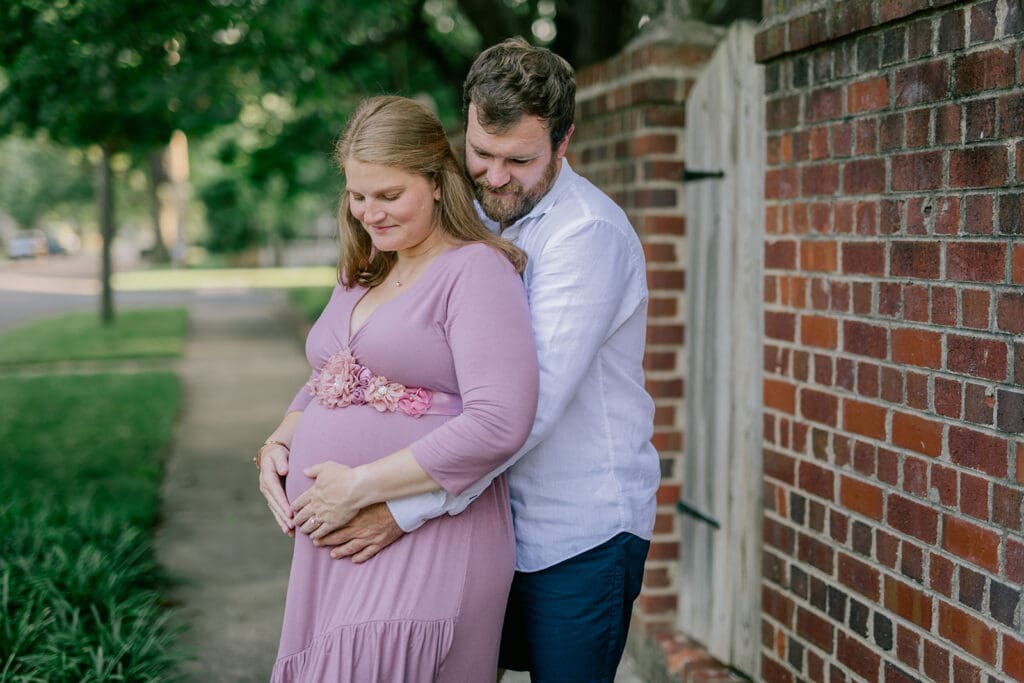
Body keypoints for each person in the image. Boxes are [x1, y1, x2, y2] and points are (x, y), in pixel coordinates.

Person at [309, 38, 663, 681]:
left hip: (573, 537)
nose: (496, 176)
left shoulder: (586, 236)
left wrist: (396, 507)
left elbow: (525, 412)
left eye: (519, 159)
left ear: (563, 142)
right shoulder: (466, 219)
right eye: (481, 153)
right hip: (473, 525)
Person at [256, 95, 539, 681]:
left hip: (428, 537)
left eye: (389, 196)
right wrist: (279, 443)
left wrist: (359, 486)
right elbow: (328, 375)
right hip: (335, 547)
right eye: (358, 196)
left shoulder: (475, 271)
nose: (370, 212)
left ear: (437, 182)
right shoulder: (363, 272)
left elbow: (500, 421)